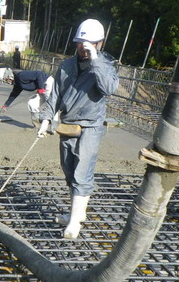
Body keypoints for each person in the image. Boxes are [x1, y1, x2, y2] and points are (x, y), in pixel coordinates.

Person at [37, 18, 119, 239]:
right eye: (81, 45)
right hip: (68, 124)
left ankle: (74, 223)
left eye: (89, 45)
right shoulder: (66, 66)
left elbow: (109, 88)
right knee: (69, 169)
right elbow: (55, 95)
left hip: (91, 126)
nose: (83, 49)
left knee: (83, 172)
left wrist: (96, 62)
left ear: (100, 43)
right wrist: (45, 119)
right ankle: (76, 213)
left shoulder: (105, 66)